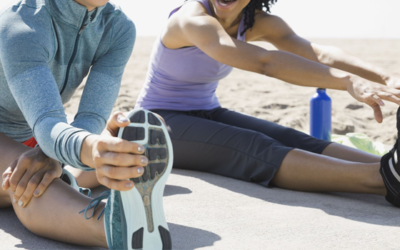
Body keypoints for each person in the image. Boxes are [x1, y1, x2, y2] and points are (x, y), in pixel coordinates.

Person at [131, 0, 400, 207]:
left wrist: (387, 77)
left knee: (289, 137)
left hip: (208, 110)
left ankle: (387, 165)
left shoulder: (254, 21)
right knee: (253, 147)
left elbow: (317, 53)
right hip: (159, 122)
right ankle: (381, 180)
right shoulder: (191, 20)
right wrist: (347, 82)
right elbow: (265, 62)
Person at [0, 0, 172, 249]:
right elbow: (48, 120)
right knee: (29, 179)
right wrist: (90, 148)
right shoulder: (22, 23)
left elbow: (91, 116)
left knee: (72, 163)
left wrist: (79, 151)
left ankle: (121, 170)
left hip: (37, 135)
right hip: (31, 132)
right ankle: (115, 228)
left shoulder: (117, 27)